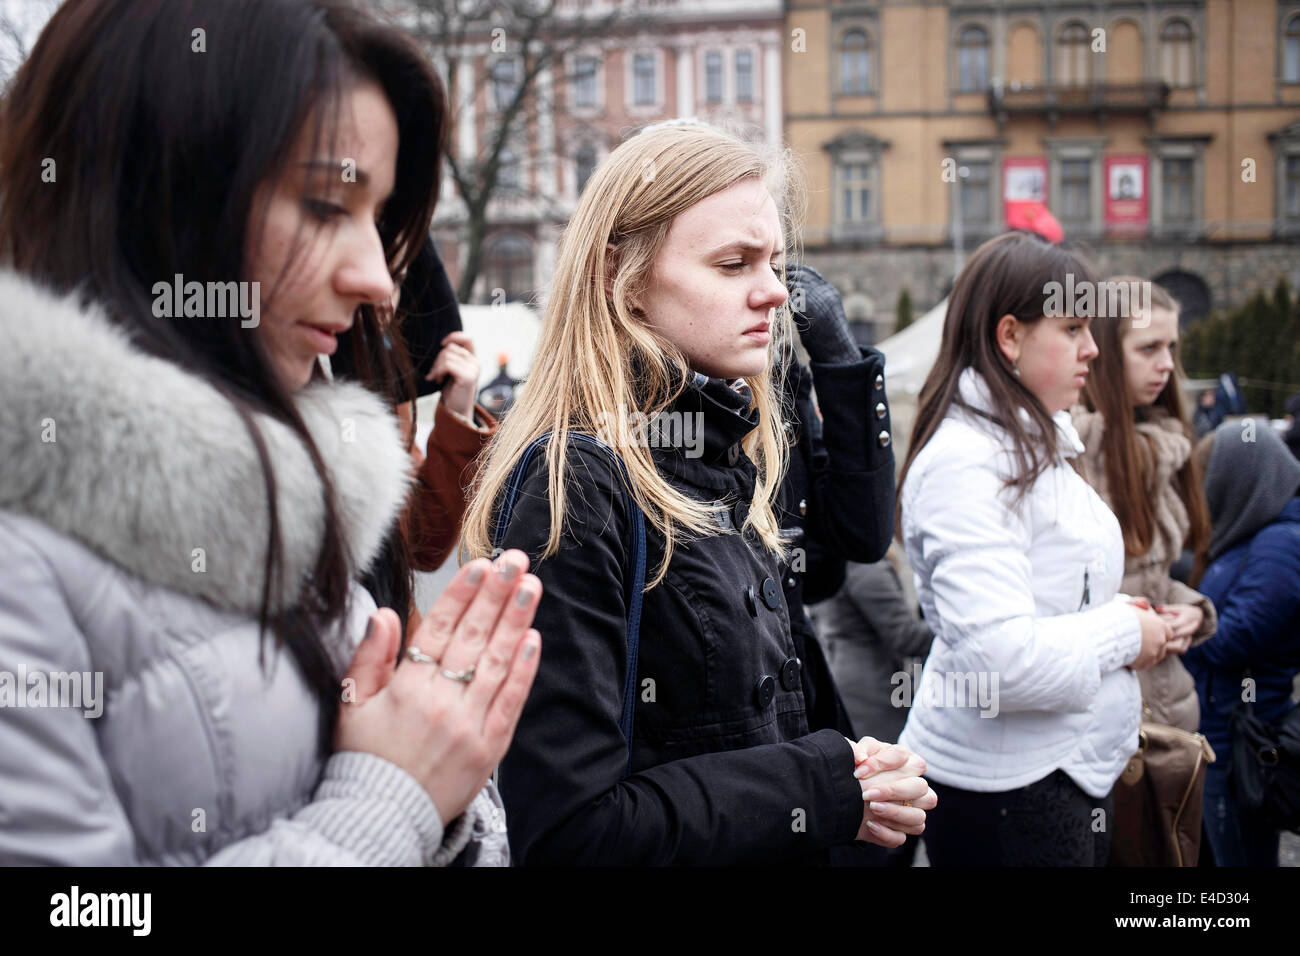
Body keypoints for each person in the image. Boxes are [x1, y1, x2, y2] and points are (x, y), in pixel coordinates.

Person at [0, 0, 538, 865]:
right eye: (328, 204)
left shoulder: (297, 489)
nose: (378, 282)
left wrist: (444, 800)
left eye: (380, 219)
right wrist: (390, 801)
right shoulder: (21, 569)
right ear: (157, 191)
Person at [460, 122, 935, 865]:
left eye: (774, 261)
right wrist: (821, 785)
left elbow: (850, 547)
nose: (775, 290)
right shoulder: (577, 487)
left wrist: (856, 783)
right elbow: (571, 834)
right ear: (627, 279)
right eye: (733, 263)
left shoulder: (725, 447)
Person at [895, 232, 1173, 867]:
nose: (1093, 348)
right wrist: (1123, 634)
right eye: (1073, 328)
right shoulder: (968, 463)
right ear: (1010, 337)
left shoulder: (1019, 441)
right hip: (1013, 790)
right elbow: (1001, 662)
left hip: (1044, 779)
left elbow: (1042, 595)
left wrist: (1118, 613)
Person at [1071, 279, 1216, 734]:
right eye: (1149, 348)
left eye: (1171, 347)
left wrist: (1190, 608)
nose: (1168, 364)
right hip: (1106, 715)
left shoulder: (1164, 444)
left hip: (1167, 704)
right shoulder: (1071, 453)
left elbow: (1150, 576)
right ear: (1105, 352)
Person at [1183, 422, 1300, 866]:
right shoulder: (1261, 536)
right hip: (1224, 733)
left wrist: (1177, 626)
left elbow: (1237, 637)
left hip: (1240, 745)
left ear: (1239, 481)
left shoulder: (1279, 546)